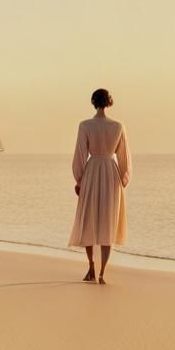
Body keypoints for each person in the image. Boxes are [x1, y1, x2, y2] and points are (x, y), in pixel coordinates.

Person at [67, 88, 131, 284]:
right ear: (109, 102)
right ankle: (102, 273)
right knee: (107, 223)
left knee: (89, 221)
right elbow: (124, 157)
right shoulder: (118, 126)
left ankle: (91, 268)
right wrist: (123, 179)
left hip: (92, 171)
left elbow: (79, 155)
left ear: (93, 102)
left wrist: (79, 179)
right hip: (111, 174)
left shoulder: (85, 125)